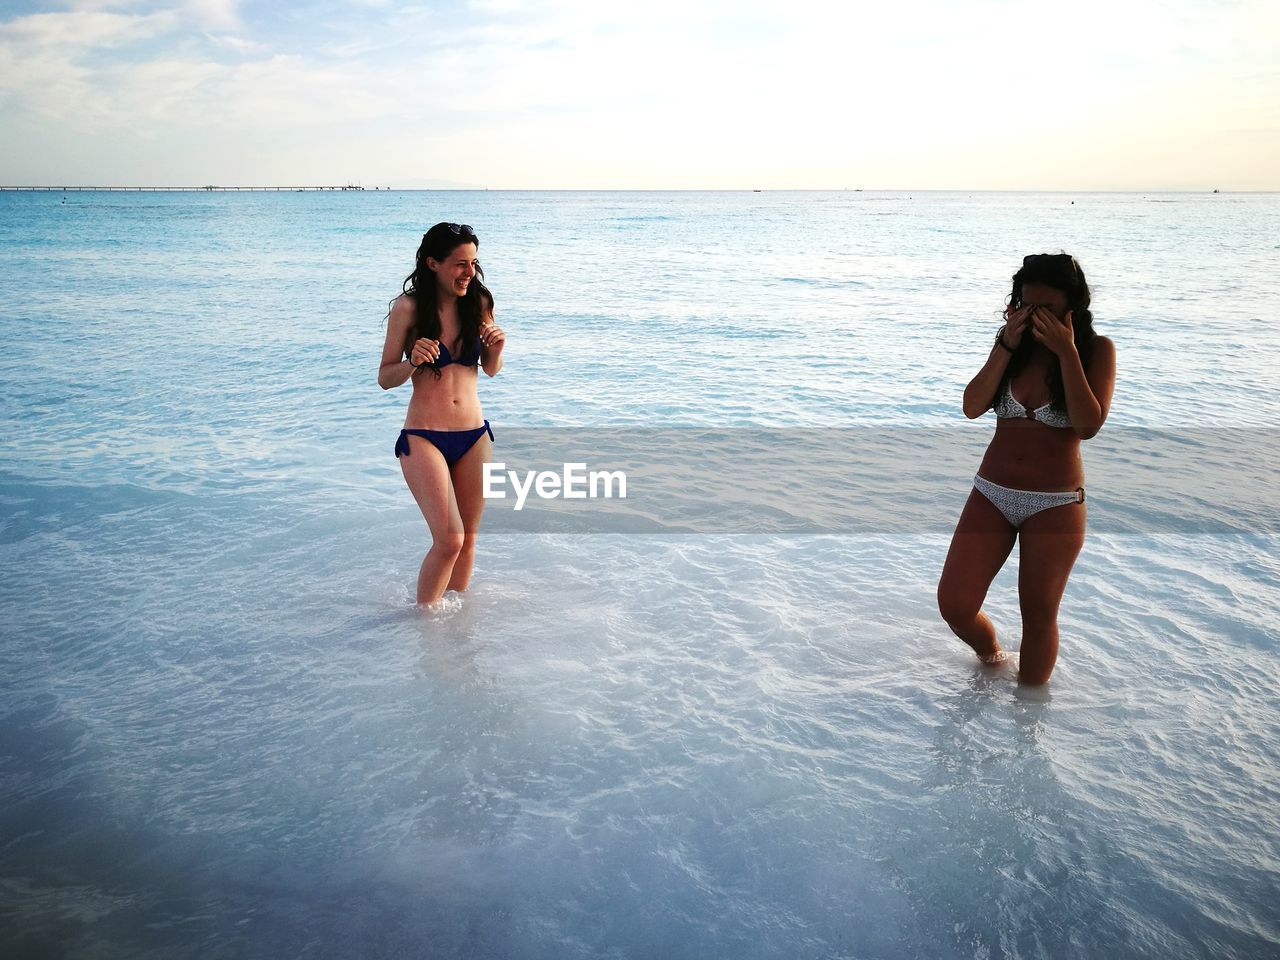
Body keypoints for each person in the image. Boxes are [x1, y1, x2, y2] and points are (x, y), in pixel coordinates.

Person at [937, 254, 1115, 684]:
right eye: (1027, 306)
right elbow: (971, 406)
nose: (1035, 318)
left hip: (1055, 503)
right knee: (955, 604)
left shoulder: (1096, 350)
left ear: (1073, 308)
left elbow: (1088, 425)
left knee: (1038, 616)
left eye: (1047, 310)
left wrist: (1066, 351)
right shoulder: (1010, 347)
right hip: (992, 494)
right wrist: (1006, 344)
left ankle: (1029, 719)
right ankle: (992, 659)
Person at [378, 222, 506, 604]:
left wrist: (497, 348)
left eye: (473, 263)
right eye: (460, 264)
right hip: (424, 437)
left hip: (474, 437)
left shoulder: (479, 303)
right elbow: (386, 377)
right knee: (449, 540)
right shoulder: (409, 308)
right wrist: (413, 362)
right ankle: (423, 627)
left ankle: (455, 631)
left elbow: (490, 368)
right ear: (433, 263)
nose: (469, 273)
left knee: (468, 542)